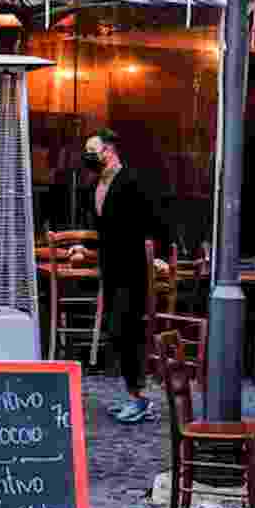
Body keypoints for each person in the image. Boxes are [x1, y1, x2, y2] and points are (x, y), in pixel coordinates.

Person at [73, 129, 167, 424]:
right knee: (117, 333)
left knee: (127, 330)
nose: (89, 156)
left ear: (109, 151)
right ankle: (133, 395)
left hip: (133, 267)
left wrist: (158, 256)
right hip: (111, 269)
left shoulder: (131, 182)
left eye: (93, 150)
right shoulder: (97, 187)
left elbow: (153, 220)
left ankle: (139, 399)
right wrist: (86, 247)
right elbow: (104, 231)